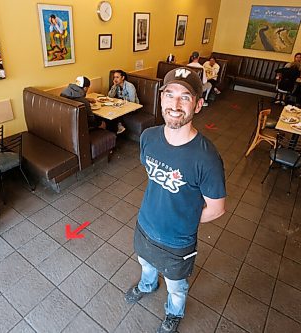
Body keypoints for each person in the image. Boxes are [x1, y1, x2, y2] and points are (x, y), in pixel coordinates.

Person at [125, 67, 226, 333]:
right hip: (145, 224)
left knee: (176, 286)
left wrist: (182, 221)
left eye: (185, 97)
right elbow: (152, 177)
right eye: (169, 95)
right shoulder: (148, 138)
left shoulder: (207, 158)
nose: (175, 104)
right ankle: (147, 285)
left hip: (177, 241)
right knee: (145, 263)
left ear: (199, 105)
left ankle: (174, 312)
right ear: (161, 100)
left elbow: (216, 209)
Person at [108, 69, 139, 134]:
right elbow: (110, 96)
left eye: (117, 77)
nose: (115, 79)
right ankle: (113, 131)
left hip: (133, 108)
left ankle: (119, 126)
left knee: (115, 111)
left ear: (123, 77)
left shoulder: (130, 86)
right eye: (114, 77)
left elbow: (132, 102)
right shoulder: (117, 86)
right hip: (122, 106)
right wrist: (114, 86)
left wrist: (121, 103)